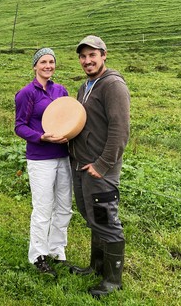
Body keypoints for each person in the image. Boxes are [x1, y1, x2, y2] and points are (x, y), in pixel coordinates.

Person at [68, 35, 130, 298]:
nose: (87, 61)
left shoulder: (113, 86)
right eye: (83, 56)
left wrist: (103, 164)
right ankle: (96, 267)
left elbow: (120, 129)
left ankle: (113, 281)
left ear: (104, 55)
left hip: (100, 169)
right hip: (82, 165)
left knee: (106, 219)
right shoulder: (86, 86)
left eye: (92, 55)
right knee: (91, 215)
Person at [14, 48, 73, 278]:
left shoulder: (61, 90)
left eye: (51, 61)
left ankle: (57, 250)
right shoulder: (27, 93)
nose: (48, 65)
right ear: (35, 66)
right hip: (40, 159)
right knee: (43, 208)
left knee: (64, 207)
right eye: (43, 62)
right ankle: (37, 255)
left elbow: (69, 117)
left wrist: (71, 132)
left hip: (63, 155)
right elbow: (20, 126)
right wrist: (40, 136)